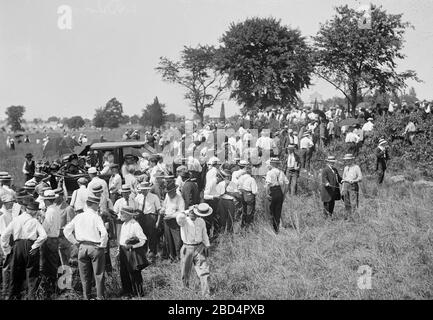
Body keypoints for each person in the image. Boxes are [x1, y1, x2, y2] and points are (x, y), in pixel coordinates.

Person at [63, 195, 108, 300]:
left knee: (84, 275)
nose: (98, 206)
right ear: (94, 204)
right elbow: (104, 233)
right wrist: (102, 246)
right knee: (99, 274)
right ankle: (100, 297)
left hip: (82, 247)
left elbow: (66, 231)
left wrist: (75, 242)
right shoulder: (96, 216)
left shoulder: (78, 216)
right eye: (97, 204)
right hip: (95, 247)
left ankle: (86, 297)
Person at [1, 200, 47, 300]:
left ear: (26, 209)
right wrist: (35, 246)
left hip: (17, 246)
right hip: (30, 246)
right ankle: (31, 296)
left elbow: (4, 236)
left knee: (15, 272)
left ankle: (13, 295)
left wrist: (7, 249)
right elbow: (43, 236)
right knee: (32, 273)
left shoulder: (16, 219)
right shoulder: (34, 221)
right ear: (35, 212)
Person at [176, 203, 211, 297]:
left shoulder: (201, 221)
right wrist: (187, 211)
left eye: (196, 213)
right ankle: (185, 290)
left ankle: (206, 294)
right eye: (193, 213)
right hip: (187, 248)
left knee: (204, 270)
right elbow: (179, 217)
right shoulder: (184, 221)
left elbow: (204, 234)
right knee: (185, 272)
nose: (194, 215)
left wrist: (207, 245)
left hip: (199, 247)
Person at [117, 206, 147, 297]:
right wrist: (119, 250)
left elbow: (143, 240)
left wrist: (133, 246)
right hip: (123, 250)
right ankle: (127, 290)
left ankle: (138, 292)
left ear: (129, 215)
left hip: (131, 251)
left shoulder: (135, 225)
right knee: (123, 271)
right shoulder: (124, 224)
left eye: (122, 213)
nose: (120, 215)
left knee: (134, 272)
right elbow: (121, 239)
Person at [40, 189, 61, 298]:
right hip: (55, 238)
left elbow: (45, 227)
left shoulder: (50, 211)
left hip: (49, 239)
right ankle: (56, 286)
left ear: (47, 201)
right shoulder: (56, 209)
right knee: (54, 262)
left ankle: (52, 288)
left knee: (48, 264)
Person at [134, 182, 161, 261]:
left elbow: (159, 210)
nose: (143, 192)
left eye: (145, 190)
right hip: (141, 217)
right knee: (142, 236)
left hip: (151, 217)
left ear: (148, 190)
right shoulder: (138, 197)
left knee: (152, 236)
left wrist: (157, 222)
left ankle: (152, 254)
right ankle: (144, 254)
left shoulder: (154, 197)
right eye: (142, 190)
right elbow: (135, 209)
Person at [161, 180, 184, 262]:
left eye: (171, 192)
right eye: (168, 192)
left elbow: (181, 212)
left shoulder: (179, 198)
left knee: (177, 240)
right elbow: (164, 205)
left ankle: (180, 257)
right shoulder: (167, 196)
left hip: (175, 221)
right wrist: (162, 210)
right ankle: (172, 256)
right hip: (166, 220)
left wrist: (171, 216)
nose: (169, 194)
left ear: (174, 190)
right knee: (168, 240)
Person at [265, 158, 289, 233]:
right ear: (277, 164)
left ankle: (272, 229)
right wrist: (284, 194)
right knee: (278, 211)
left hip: (272, 191)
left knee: (270, 211)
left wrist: (266, 194)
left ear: (272, 164)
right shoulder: (281, 172)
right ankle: (277, 229)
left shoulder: (270, 172)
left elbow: (268, 184)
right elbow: (287, 183)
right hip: (280, 192)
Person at [54, 188, 76, 266]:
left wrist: (61, 231)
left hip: (66, 241)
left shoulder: (68, 209)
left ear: (61, 196)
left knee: (69, 262)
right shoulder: (53, 208)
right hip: (57, 241)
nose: (54, 199)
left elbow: (71, 225)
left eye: (56, 197)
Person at [341, 154, 363, 220]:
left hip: (353, 185)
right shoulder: (345, 168)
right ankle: (348, 216)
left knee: (353, 202)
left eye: (348, 160)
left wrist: (354, 180)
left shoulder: (356, 167)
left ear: (351, 160)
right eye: (346, 160)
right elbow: (343, 178)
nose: (347, 161)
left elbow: (360, 177)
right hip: (345, 185)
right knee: (346, 202)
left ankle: (354, 217)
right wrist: (342, 188)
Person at [237, 164, 257, 228]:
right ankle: (248, 226)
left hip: (243, 195)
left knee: (244, 211)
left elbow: (238, 187)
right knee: (250, 212)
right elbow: (254, 191)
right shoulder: (251, 179)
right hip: (249, 195)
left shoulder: (241, 178)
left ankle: (242, 225)